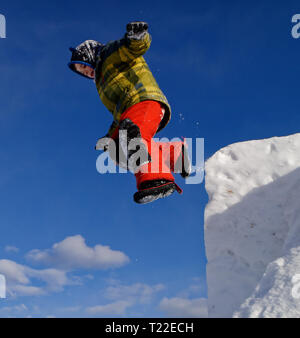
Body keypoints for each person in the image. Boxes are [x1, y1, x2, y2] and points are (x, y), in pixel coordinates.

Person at [68, 21, 191, 204]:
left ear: (90, 55)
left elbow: (132, 48)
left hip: (144, 99)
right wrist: (110, 137)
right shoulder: (101, 83)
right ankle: (174, 153)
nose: (86, 73)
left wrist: (137, 37)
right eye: (82, 72)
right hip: (129, 112)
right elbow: (118, 113)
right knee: (117, 150)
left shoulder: (109, 54)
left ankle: (158, 180)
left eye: (83, 66)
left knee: (132, 137)